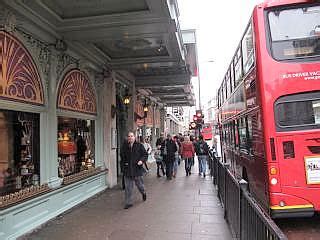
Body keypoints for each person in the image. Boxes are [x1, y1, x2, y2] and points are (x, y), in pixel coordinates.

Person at [120, 131, 148, 209]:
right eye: (129, 136)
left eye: (132, 136)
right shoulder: (124, 147)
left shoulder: (139, 145)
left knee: (140, 185)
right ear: (127, 138)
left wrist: (141, 161)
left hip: (137, 170)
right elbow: (122, 158)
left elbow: (145, 155)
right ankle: (128, 202)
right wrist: (123, 168)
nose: (130, 137)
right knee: (128, 187)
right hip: (128, 170)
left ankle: (143, 192)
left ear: (134, 137)